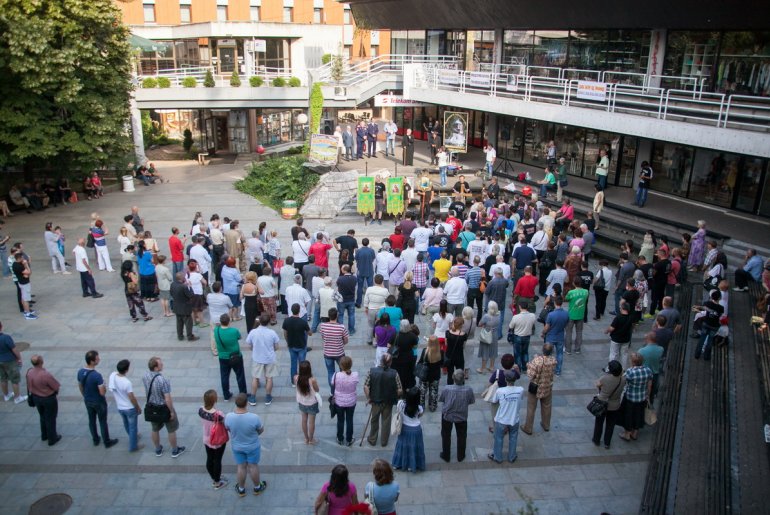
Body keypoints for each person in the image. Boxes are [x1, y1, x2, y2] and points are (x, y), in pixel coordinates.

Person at [225, 393, 267, 497]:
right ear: (246, 403)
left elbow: (228, 428)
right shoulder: (254, 418)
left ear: (236, 403)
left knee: (241, 467)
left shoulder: (229, 417)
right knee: (253, 466)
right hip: (252, 446)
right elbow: (260, 430)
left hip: (237, 446)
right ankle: (257, 487)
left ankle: (241, 489)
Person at [143, 356, 185, 458]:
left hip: (152, 407)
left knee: (154, 429)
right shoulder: (163, 380)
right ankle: (175, 450)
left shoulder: (145, 376)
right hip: (164, 408)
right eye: (160, 364)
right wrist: (171, 412)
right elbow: (167, 398)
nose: (162, 365)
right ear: (156, 368)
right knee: (171, 429)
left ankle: (158, 449)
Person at [77, 350, 118, 448]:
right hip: (98, 402)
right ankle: (107, 442)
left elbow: (80, 386)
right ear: (92, 361)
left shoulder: (80, 371)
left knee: (91, 420)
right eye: (97, 358)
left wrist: (85, 396)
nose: (99, 359)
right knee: (102, 421)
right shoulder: (97, 376)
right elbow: (102, 393)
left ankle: (95, 439)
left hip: (88, 400)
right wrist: (104, 385)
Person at [364, 353, 403, 447]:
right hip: (388, 402)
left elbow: (366, 386)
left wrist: (369, 398)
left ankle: (372, 439)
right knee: (386, 421)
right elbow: (400, 390)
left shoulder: (371, 371)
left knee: (374, 420)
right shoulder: (394, 373)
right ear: (390, 363)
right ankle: (384, 441)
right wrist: (394, 395)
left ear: (381, 361)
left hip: (375, 401)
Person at [438, 370, 475, 463]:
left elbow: (442, 399)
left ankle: (446, 455)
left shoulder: (447, 388)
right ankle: (461, 456)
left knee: (446, 435)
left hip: (447, 415)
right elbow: (471, 401)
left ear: (453, 378)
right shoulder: (468, 389)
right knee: (462, 435)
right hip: (462, 416)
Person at [488, 368, 524, 463]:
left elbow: (494, 400)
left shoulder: (500, 391)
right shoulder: (520, 390)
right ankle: (512, 456)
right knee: (513, 437)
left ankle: (498, 457)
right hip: (514, 419)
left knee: (498, 438)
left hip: (501, 419)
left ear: (505, 380)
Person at [521, 343, 557, 435]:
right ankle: (546, 425)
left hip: (535, 387)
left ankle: (528, 427)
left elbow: (530, 374)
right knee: (547, 406)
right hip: (547, 386)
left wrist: (529, 365)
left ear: (542, 350)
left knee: (531, 407)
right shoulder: (553, 360)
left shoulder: (537, 361)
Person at [108, 359, 143, 452]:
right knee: (133, 427)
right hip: (129, 408)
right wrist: (138, 407)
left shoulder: (113, 375)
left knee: (126, 424)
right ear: (127, 370)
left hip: (120, 407)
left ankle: (133, 437)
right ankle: (133, 446)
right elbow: (131, 397)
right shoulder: (127, 382)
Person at [27, 354, 61, 445]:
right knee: (50, 418)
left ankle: (44, 435)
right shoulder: (45, 374)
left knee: (42, 416)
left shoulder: (29, 372)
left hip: (36, 398)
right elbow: (55, 386)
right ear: (41, 362)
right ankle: (52, 438)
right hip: (48, 399)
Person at [619, 353, 653, 442]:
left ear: (633, 362)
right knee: (639, 415)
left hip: (630, 397)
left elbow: (622, 381)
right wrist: (647, 396)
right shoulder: (648, 370)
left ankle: (627, 434)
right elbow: (649, 385)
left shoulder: (630, 371)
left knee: (628, 415)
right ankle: (635, 433)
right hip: (642, 397)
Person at [246, 314, 279, 406]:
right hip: (269, 358)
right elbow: (276, 346)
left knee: (255, 378)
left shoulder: (253, 332)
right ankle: (268, 397)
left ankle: (252, 397)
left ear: (259, 321)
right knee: (269, 378)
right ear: (268, 322)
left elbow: (249, 345)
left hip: (257, 358)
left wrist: (255, 350)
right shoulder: (272, 333)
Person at [198, 390, 228, 490]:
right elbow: (226, 424)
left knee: (210, 458)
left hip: (206, 439)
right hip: (217, 441)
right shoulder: (218, 415)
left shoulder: (201, 410)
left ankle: (214, 476)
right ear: (214, 400)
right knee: (217, 460)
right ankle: (217, 482)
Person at [592, 360, 625, 449]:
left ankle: (596, 440)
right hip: (615, 405)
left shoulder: (605, 378)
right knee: (610, 425)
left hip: (602, 403)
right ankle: (607, 443)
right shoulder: (623, 379)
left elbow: (598, 384)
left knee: (599, 423)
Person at [392, 386, 426, 472]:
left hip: (404, 428)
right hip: (416, 430)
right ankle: (412, 465)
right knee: (414, 447)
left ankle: (398, 464)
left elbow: (397, 411)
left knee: (402, 446)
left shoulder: (400, 404)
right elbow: (419, 416)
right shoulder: (419, 408)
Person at [215, 314, 247, 401]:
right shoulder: (234, 331)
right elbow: (239, 337)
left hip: (222, 357)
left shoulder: (216, 330)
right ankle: (243, 393)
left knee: (224, 376)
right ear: (229, 321)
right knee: (240, 375)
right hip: (235, 356)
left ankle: (226, 395)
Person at [332, 356, 359, 446]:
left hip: (339, 402)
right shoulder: (355, 375)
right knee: (349, 420)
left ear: (340, 365)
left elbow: (332, 384)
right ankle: (349, 439)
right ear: (351, 365)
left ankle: (340, 438)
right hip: (351, 402)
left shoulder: (336, 375)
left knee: (340, 420)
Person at [294, 360, 320, 445]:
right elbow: (317, 390)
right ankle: (311, 439)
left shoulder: (296, 378)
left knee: (304, 420)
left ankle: (306, 438)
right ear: (309, 369)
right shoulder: (312, 380)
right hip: (312, 403)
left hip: (302, 403)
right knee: (311, 422)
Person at [694, 289, 724, 361]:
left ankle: (697, 354)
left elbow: (704, 308)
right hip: (714, 326)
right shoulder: (721, 308)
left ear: (711, 297)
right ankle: (706, 356)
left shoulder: (707, 303)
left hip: (706, 323)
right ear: (719, 298)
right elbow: (720, 316)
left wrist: (698, 307)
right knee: (710, 341)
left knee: (702, 339)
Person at [542, 296, 569, 375]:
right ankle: (558, 371)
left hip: (551, 337)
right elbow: (566, 324)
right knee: (559, 354)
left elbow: (546, 327)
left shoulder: (551, 315)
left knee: (548, 353)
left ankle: (548, 369)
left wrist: (543, 333)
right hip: (560, 336)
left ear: (554, 303)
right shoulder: (566, 313)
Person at [390, 320, 419, 391]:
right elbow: (415, 347)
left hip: (397, 358)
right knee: (408, 374)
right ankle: (407, 388)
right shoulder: (413, 336)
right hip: (408, 358)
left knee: (398, 374)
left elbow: (390, 345)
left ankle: (399, 388)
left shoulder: (395, 335)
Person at [170, 272, 198, 341]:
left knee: (179, 323)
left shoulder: (173, 284)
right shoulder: (184, 287)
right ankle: (190, 336)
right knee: (188, 323)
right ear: (182, 278)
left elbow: (171, 293)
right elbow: (191, 295)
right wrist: (190, 286)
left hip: (176, 307)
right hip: (185, 308)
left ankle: (180, 336)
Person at [564, 277, 588, 354]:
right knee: (579, 332)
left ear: (574, 283)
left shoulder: (571, 292)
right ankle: (577, 349)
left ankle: (568, 349)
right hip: (581, 315)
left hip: (571, 314)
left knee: (569, 332)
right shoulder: (586, 291)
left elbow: (566, 299)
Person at [477, 301, 501, 373]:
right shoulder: (499, 315)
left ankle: (483, 368)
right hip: (495, 334)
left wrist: (484, 325)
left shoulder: (486, 316)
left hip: (487, 334)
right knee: (493, 350)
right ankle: (491, 366)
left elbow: (479, 324)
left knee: (485, 350)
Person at [444, 317, 468, 385]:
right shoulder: (464, 335)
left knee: (449, 375)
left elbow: (446, 344)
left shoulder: (448, 333)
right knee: (460, 375)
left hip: (449, 356)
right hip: (459, 357)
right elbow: (463, 346)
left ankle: (449, 387)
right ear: (461, 325)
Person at [355, 237, 376, 307]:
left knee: (360, 287)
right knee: (370, 287)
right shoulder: (371, 250)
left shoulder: (358, 251)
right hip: (369, 270)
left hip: (360, 270)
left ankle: (358, 303)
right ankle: (371, 302)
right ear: (368, 243)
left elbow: (356, 259)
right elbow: (373, 259)